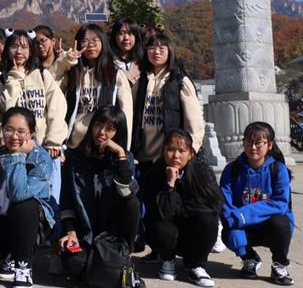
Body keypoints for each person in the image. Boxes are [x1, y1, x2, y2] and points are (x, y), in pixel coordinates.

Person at [0, 107, 55, 288]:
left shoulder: (41, 158)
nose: (14, 136)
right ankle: (10, 255)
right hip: (1, 221)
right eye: (9, 129)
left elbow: (19, 194)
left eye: (21, 132)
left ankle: (23, 266)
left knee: (24, 206)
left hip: (31, 226)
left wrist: (17, 157)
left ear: (31, 134)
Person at [58, 106, 143, 288]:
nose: (102, 132)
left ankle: (123, 258)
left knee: (132, 203)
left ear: (118, 133)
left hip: (113, 236)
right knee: (73, 262)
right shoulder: (74, 158)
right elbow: (66, 200)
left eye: (110, 129)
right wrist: (70, 232)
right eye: (98, 125)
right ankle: (111, 268)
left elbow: (127, 194)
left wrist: (120, 156)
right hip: (84, 234)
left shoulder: (125, 158)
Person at [141, 129, 223, 288]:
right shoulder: (153, 175)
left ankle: (197, 265)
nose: (176, 156)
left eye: (182, 151)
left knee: (208, 220)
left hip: (193, 232)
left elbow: (214, 204)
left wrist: (180, 208)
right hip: (168, 234)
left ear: (191, 153)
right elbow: (162, 212)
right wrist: (170, 185)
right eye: (170, 149)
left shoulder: (202, 173)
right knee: (160, 225)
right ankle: (167, 260)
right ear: (163, 151)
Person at [220, 122, 295, 286]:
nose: (253, 147)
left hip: (270, 226)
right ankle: (249, 258)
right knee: (229, 232)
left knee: (281, 223)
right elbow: (225, 203)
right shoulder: (232, 170)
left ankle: (280, 265)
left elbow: (280, 204)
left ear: (270, 145)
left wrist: (243, 214)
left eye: (258, 143)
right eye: (248, 142)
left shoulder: (278, 170)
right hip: (243, 225)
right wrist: (235, 224)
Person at [130, 32, 204, 174]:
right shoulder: (140, 82)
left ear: (170, 51)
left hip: (170, 158)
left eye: (161, 48)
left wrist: (190, 152)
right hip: (142, 158)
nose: (156, 52)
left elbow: (194, 122)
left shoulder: (180, 81)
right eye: (151, 48)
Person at [51, 25, 134, 150]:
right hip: (73, 144)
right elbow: (50, 84)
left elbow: (126, 112)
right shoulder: (72, 73)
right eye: (85, 41)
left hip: (103, 145)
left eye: (95, 40)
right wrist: (64, 62)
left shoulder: (115, 74)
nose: (90, 45)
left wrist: (124, 148)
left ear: (103, 42)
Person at [0, 30, 68, 158]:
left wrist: (54, 140)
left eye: (24, 47)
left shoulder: (42, 75)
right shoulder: (1, 78)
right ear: (7, 50)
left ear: (31, 51)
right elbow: (6, 107)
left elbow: (57, 107)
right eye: (14, 46)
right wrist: (14, 76)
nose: (19, 51)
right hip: (12, 149)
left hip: (45, 148)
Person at [108, 17, 143, 90]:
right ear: (115, 36)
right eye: (121, 33)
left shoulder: (143, 62)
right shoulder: (107, 61)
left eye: (130, 33)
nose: (126, 38)